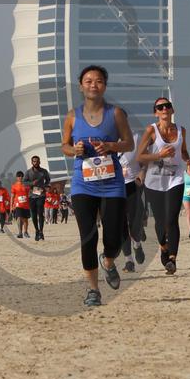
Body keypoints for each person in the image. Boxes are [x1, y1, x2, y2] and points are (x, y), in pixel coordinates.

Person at [62, 65, 133, 307]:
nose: (94, 84)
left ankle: (109, 261)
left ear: (105, 86)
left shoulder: (116, 114)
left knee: (114, 237)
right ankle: (93, 290)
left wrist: (111, 146)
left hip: (112, 183)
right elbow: (64, 145)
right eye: (89, 81)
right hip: (83, 184)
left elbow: (129, 143)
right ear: (81, 86)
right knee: (88, 237)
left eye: (99, 80)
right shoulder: (72, 116)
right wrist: (75, 150)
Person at [137, 97, 190, 275]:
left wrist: (189, 160)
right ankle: (163, 247)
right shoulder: (151, 130)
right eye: (160, 107)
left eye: (167, 106)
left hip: (175, 179)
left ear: (172, 110)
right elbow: (140, 156)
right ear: (156, 113)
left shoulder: (181, 130)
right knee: (160, 221)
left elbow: (183, 152)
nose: (164, 109)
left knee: (172, 219)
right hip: (154, 181)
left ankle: (172, 259)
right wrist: (159, 155)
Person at [119, 131, 146, 272]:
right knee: (121, 224)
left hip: (133, 184)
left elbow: (145, 160)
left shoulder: (135, 138)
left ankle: (137, 243)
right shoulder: (105, 140)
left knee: (134, 222)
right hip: (115, 187)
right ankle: (129, 260)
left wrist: (143, 172)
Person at [23, 156, 51, 241]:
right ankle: (37, 231)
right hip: (32, 195)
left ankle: (41, 231)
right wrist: (32, 183)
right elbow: (24, 182)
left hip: (41, 195)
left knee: (40, 213)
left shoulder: (44, 171)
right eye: (34, 161)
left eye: (37, 161)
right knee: (34, 215)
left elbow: (48, 180)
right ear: (32, 162)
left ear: (39, 162)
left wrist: (44, 186)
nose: (35, 163)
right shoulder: (28, 172)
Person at [11, 171, 31, 238]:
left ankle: (25, 232)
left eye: (22, 176)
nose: (20, 177)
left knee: (25, 219)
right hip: (18, 204)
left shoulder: (26, 185)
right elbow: (12, 197)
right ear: (16, 177)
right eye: (19, 176)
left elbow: (31, 192)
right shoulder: (14, 186)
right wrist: (11, 206)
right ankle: (20, 233)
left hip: (26, 205)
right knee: (19, 218)